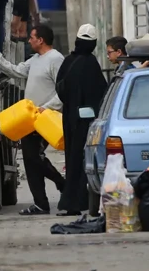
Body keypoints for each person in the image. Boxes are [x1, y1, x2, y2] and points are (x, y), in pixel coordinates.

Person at [0, 24, 66, 215]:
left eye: (32, 37)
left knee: (33, 157)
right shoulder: (35, 59)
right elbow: (16, 71)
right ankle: (41, 203)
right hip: (29, 118)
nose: (28, 40)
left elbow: (62, 89)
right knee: (30, 161)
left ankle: (60, 182)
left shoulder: (56, 59)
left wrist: (46, 107)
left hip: (45, 118)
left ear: (41, 40)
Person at [54, 24, 108, 216]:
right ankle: (81, 200)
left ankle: (72, 202)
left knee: (72, 159)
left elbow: (60, 88)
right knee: (86, 161)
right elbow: (102, 91)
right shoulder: (92, 64)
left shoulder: (68, 61)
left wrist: (71, 105)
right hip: (87, 123)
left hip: (70, 120)